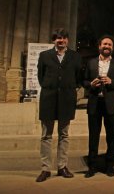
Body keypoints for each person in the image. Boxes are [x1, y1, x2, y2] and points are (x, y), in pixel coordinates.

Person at [36, 28, 82, 182]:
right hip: (48, 99)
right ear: (54, 40)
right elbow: (41, 77)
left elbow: (79, 77)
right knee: (46, 135)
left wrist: (68, 89)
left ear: (67, 40)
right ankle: (45, 169)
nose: (60, 41)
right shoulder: (44, 56)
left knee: (64, 135)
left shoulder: (75, 56)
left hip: (67, 99)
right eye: (57, 38)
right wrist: (51, 87)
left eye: (63, 38)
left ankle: (62, 166)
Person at [83, 35, 114, 178]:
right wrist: (91, 84)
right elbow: (84, 81)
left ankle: (110, 166)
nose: (107, 46)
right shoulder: (90, 63)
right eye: (104, 44)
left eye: (109, 45)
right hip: (95, 102)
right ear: (99, 46)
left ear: (113, 48)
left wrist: (111, 81)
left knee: (111, 137)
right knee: (93, 136)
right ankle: (92, 166)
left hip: (111, 104)